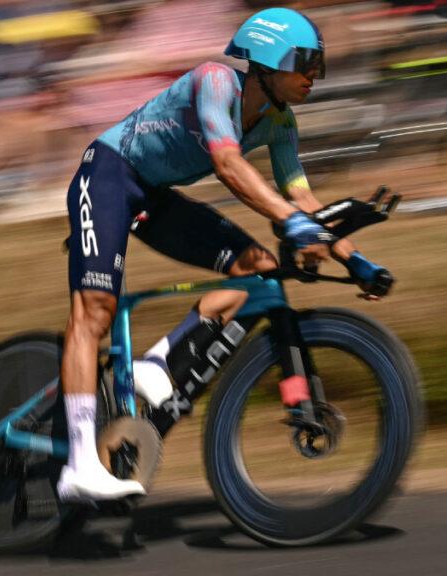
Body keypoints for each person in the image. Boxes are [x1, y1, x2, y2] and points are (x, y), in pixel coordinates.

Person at [58, 7, 393, 502]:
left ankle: (158, 362)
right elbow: (227, 163)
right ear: (264, 58)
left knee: (257, 268)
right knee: (95, 312)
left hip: (155, 197)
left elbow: (302, 199)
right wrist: (293, 223)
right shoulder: (215, 82)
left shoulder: (280, 122)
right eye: (304, 63)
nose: (312, 77)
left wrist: (356, 259)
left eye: (318, 66)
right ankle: (80, 463)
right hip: (107, 176)